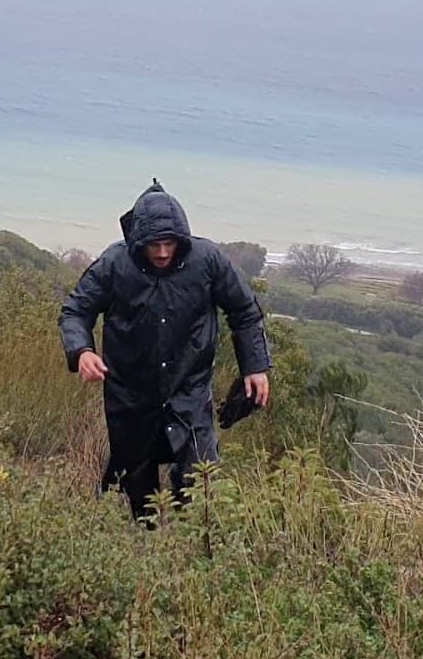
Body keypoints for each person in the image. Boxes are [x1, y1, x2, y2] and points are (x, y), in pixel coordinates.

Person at [59, 179, 271, 522]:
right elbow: (75, 311)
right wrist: (82, 350)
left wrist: (255, 366)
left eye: (169, 243)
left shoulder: (208, 260)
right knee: (137, 495)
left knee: (200, 485)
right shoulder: (114, 263)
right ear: (138, 241)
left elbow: (245, 311)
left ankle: (194, 545)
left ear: (181, 239)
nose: (161, 252)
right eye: (154, 244)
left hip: (190, 389)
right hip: (130, 394)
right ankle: (141, 543)